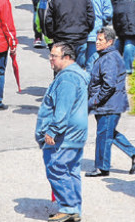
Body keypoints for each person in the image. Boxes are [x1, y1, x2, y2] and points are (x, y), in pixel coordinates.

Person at [35, 42, 89, 222]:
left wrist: (52, 130)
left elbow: (62, 109)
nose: (50, 59)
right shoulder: (75, 75)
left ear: (66, 58)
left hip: (64, 136)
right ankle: (74, 209)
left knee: (56, 168)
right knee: (71, 171)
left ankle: (68, 208)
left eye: (53, 56)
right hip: (75, 134)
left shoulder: (67, 79)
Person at [86, 26, 135, 178]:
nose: (97, 42)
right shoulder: (107, 55)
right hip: (110, 103)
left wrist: (96, 100)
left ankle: (102, 167)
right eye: (97, 39)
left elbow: (109, 84)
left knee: (103, 135)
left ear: (110, 42)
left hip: (108, 105)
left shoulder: (109, 58)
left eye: (100, 40)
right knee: (108, 133)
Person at [42, 0, 96, 68]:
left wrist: (51, 35)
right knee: (79, 71)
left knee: (62, 71)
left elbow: (45, 18)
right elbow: (91, 12)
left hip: (61, 39)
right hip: (81, 37)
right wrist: (87, 29)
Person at [77, 0, 113, 68]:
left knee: (77, 65)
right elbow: (108, 13)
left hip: (78, 32)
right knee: (92, 65)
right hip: (95, 31)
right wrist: (102, 23)